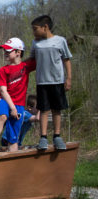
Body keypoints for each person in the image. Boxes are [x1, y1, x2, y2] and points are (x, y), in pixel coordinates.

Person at [30, 15, 72, 150]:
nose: (34, 32)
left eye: (35, 29)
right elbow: (31, 60)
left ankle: (57, 136)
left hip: (57, 81)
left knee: (56, 109)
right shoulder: (35, 43)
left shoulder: (60, 41)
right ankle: (43, 138)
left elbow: (66, 59)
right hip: (42, 82)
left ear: (45, 27)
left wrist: (69, 78)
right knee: (43, 110)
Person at [0, 37, 36, 152]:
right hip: (3, 99)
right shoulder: (4, 70)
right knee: (3, 115)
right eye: (4, 51)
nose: (5, 53)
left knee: (13, 138)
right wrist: (12, 108)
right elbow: (3, 91)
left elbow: (41, 55)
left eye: (8, 51)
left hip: (19, 104)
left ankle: (13, 161)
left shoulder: (25, 66)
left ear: (18, 52)